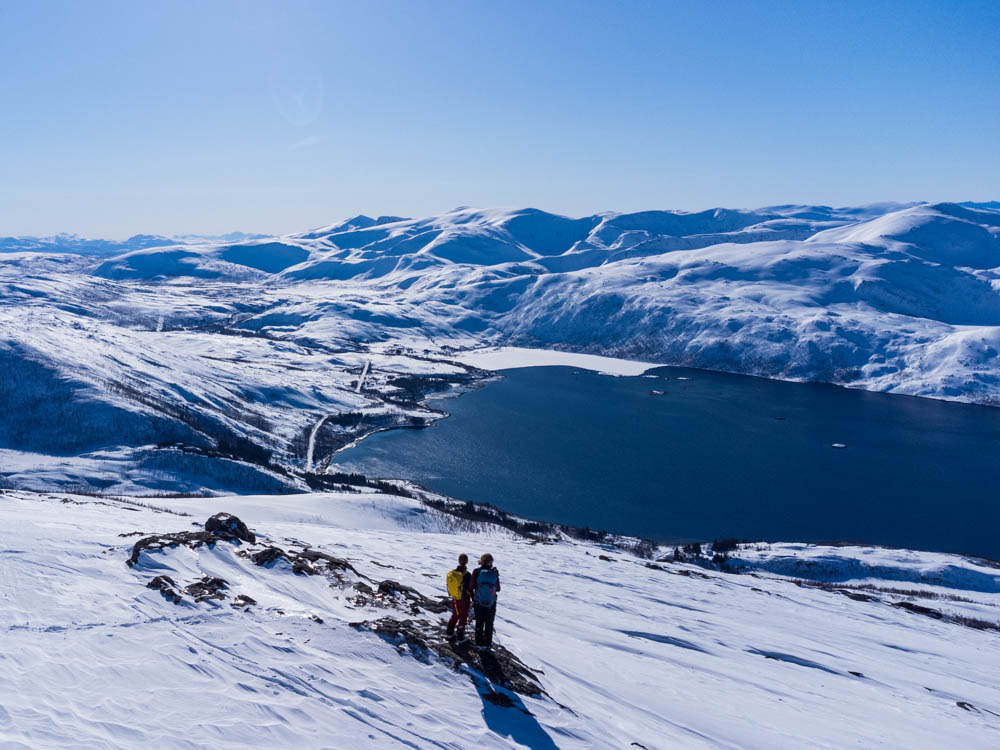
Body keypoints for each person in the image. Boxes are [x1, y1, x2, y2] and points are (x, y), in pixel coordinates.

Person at [471, 553, 500, 650]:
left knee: (479, 622)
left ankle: (479, 643)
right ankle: (487, 644)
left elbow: (472, 586)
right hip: (491, 603)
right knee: (489, 623)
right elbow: (498, 588)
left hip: (478, 601)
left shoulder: (477, 571)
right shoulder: (494, 572)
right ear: (491, 561)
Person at [445, 553, 472, 641]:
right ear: (466, 562)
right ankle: (460, 638)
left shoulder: (452, 573)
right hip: (464, 599)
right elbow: (470, 588)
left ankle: (449, 633)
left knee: (455, 615)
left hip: (455, 597)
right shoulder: (467, 574)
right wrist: (473, 597)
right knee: (463, 617)